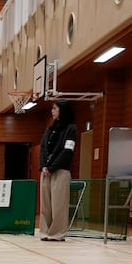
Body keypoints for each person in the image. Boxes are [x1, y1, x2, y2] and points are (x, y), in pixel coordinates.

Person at [38, 101, 78, 242]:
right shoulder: (50, 129)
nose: (52, 111)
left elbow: (67, 151)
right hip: (46, 171)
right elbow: (43, 148)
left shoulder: (71, 129)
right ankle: (45, 232)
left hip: (60, 171)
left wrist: (52, 167)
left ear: (63, 110)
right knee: (46, 205)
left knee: (58, 205)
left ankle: (57, 234)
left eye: (55, 108)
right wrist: (44, 165)